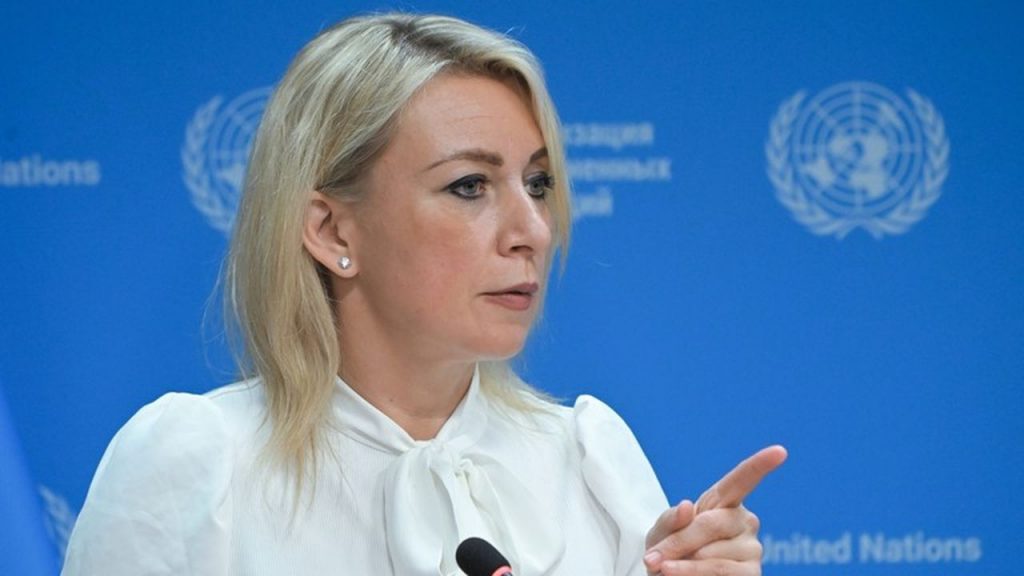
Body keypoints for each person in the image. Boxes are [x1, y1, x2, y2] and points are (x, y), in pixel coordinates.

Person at [62, 12, 786, 576]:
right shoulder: (197, 463)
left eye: (537, 183)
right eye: (469, 186)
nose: (533, 229)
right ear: (331, 229)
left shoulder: (588, 458)